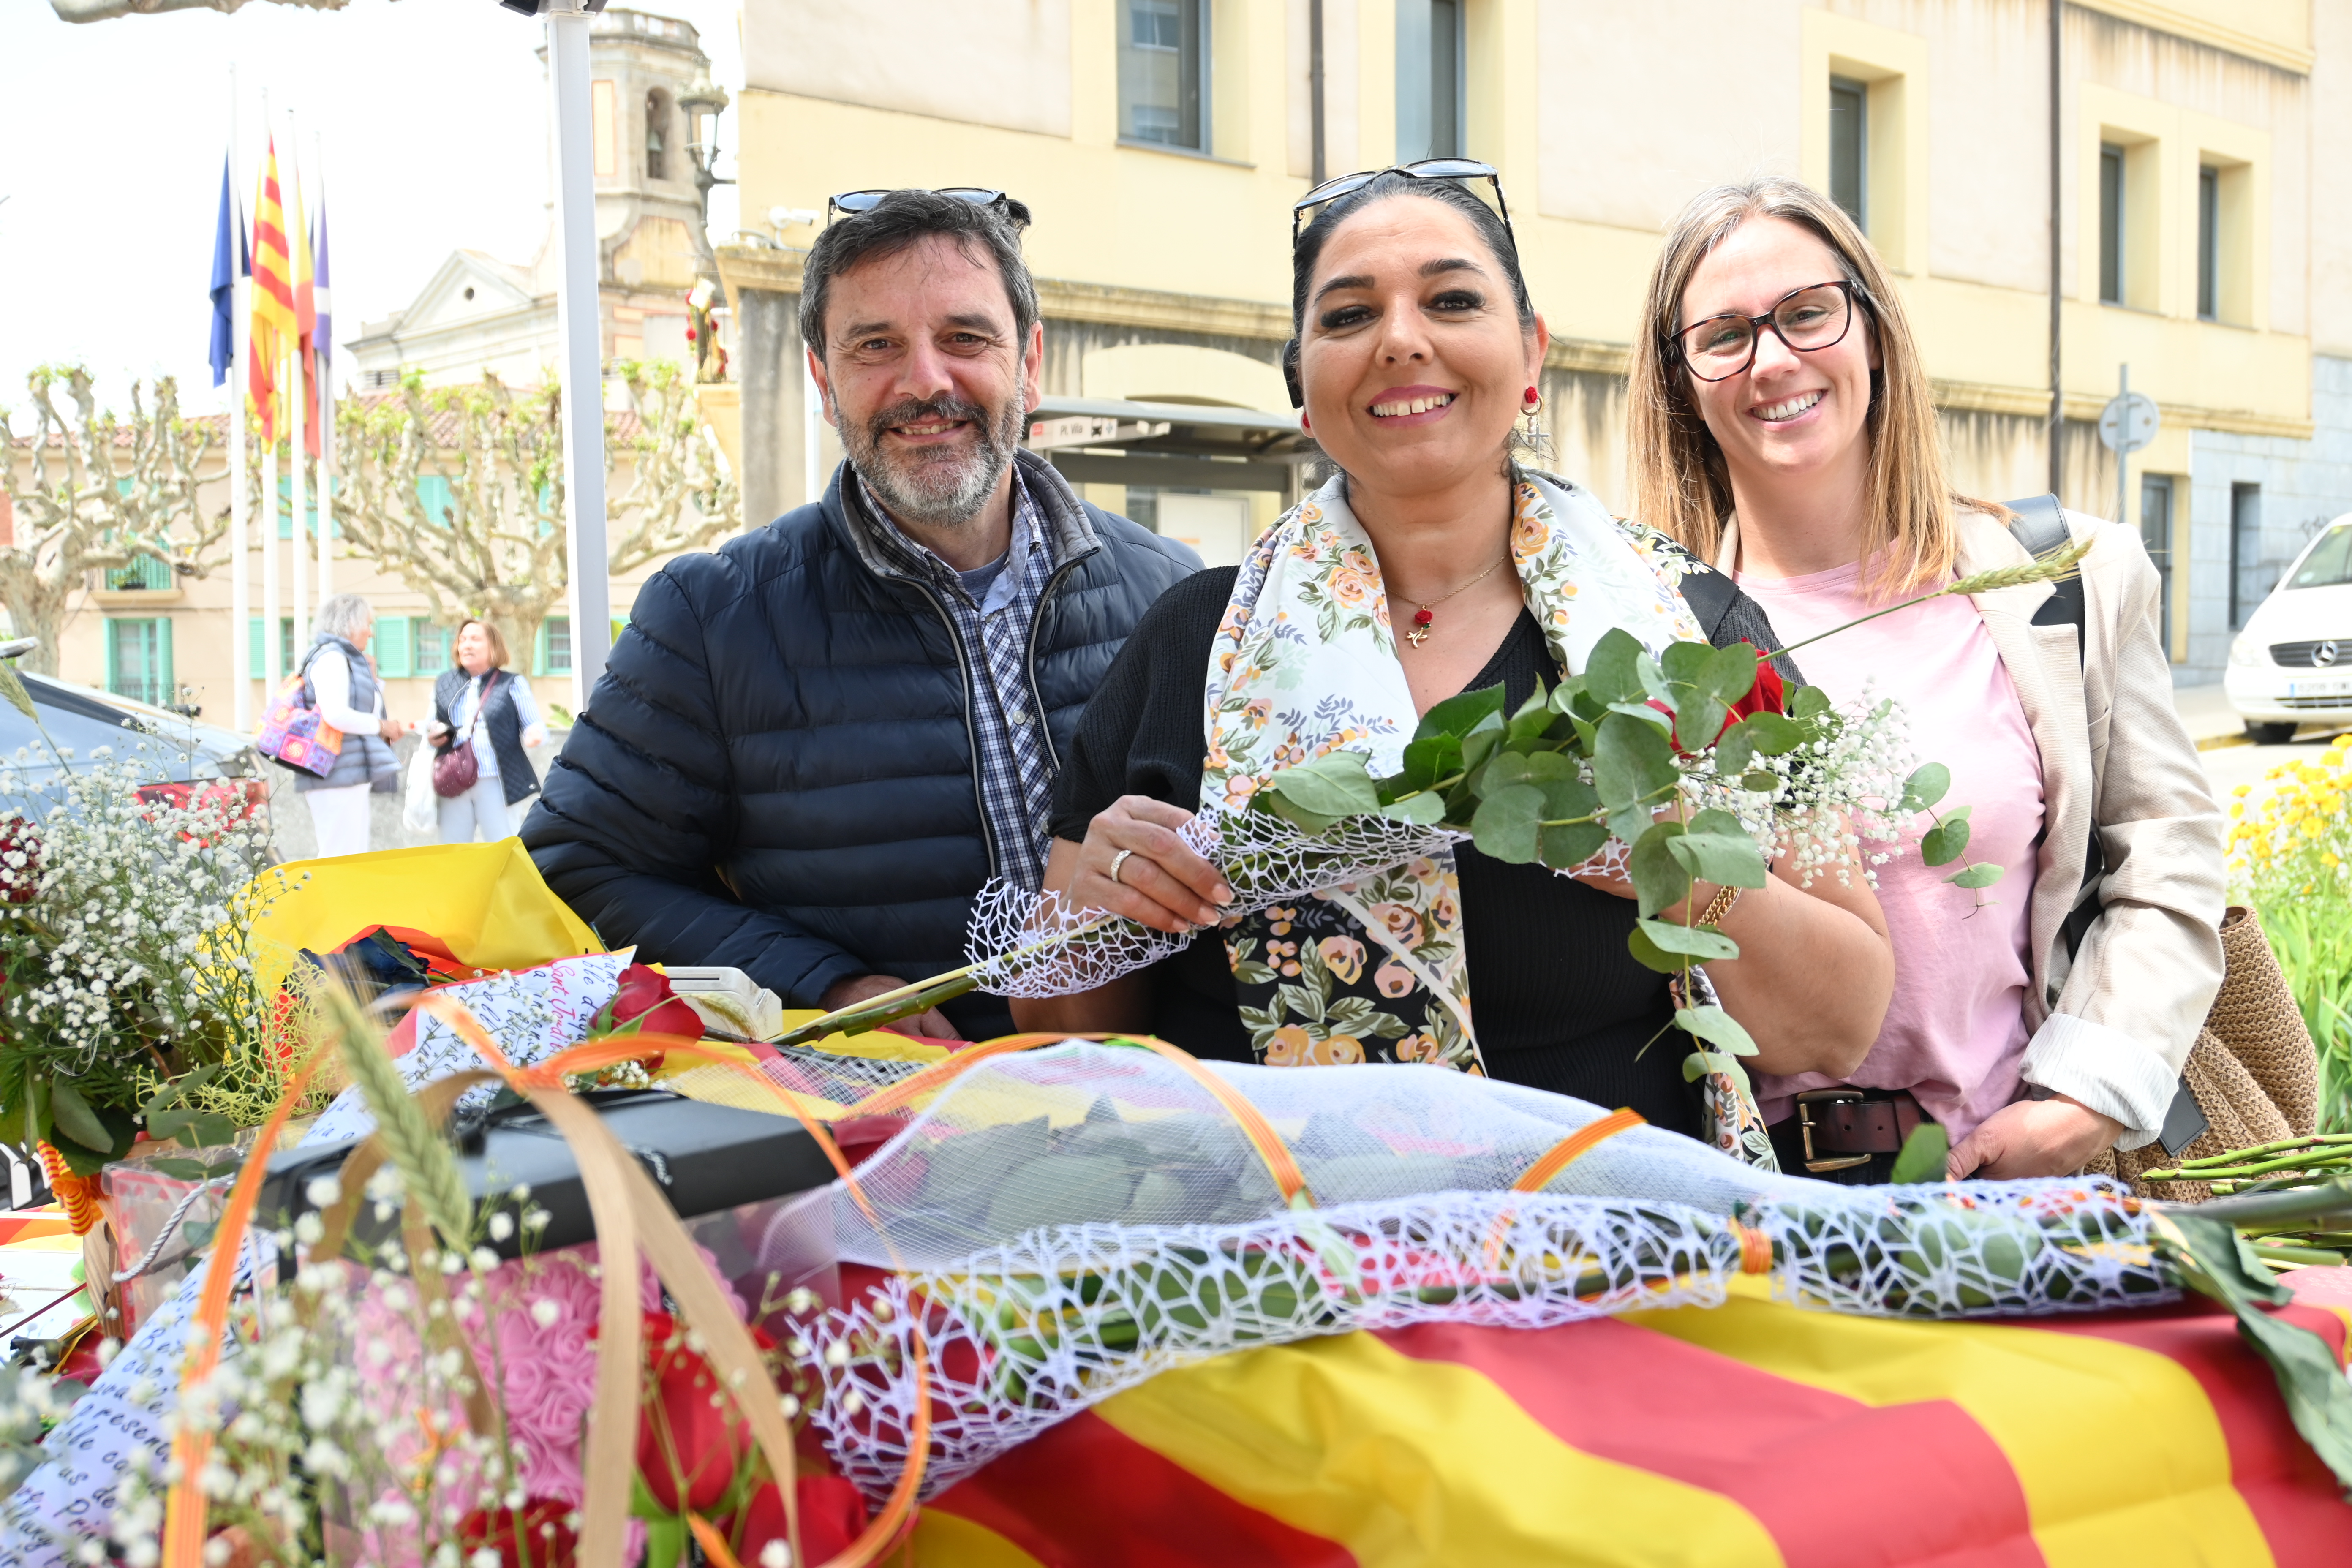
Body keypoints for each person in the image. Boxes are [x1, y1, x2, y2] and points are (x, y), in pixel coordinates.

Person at [1011, 165, 1894, 1141]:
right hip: (1277, 1257)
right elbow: (1059, 1047)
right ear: (1303, 385)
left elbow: (1840, 1024)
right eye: (1347, 316)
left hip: (1610, 1257)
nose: (1400, 339)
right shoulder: (1192, 643)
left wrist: (1679, 864)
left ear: (1530, 355)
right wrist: (1091, 919)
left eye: (1451, 299)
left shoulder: (1688, 634)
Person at [1625, 174, 2225, 1180]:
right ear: (1682, 375)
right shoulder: (1646, 633)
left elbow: (2166, 861)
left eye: (1807, 313)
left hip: (2019, 1185)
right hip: (1754, 1210)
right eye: (1723, 335)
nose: (1772, 360)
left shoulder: (2062, 579)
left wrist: (2087, 1097)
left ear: (1870, 328)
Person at [525, 188, 1199, 1040]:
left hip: (1166, 1111)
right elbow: (577, 864)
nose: (926, 381)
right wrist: (832, 986)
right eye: (876, 345)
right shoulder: (712, 617)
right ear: (823, 378)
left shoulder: (1175, 597)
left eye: (965, 338)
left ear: (1029, 361)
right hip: (886, 1129)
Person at [290, 593, 406, 858]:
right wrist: (382, 726)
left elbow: (359, 707)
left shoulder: (338, 657)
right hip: (337, 769)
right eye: (368, 624)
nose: (371, 633)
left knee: (347, 852)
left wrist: (372, 680)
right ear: (351, 623)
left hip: (343, 770)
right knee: (339, 854)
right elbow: (336, 714)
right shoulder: (333, 658)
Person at [426, 618, 548, 844]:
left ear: (493, 647)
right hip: (453, 778)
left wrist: (535, 735)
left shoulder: (511, 683)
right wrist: (433, 735)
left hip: (496, 779)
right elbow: (431, 723)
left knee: (502, 846)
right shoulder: (443, 682)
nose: (467, 645)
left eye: (475, 639)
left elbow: (534, 724)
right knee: (454, 851)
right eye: (463, 640)